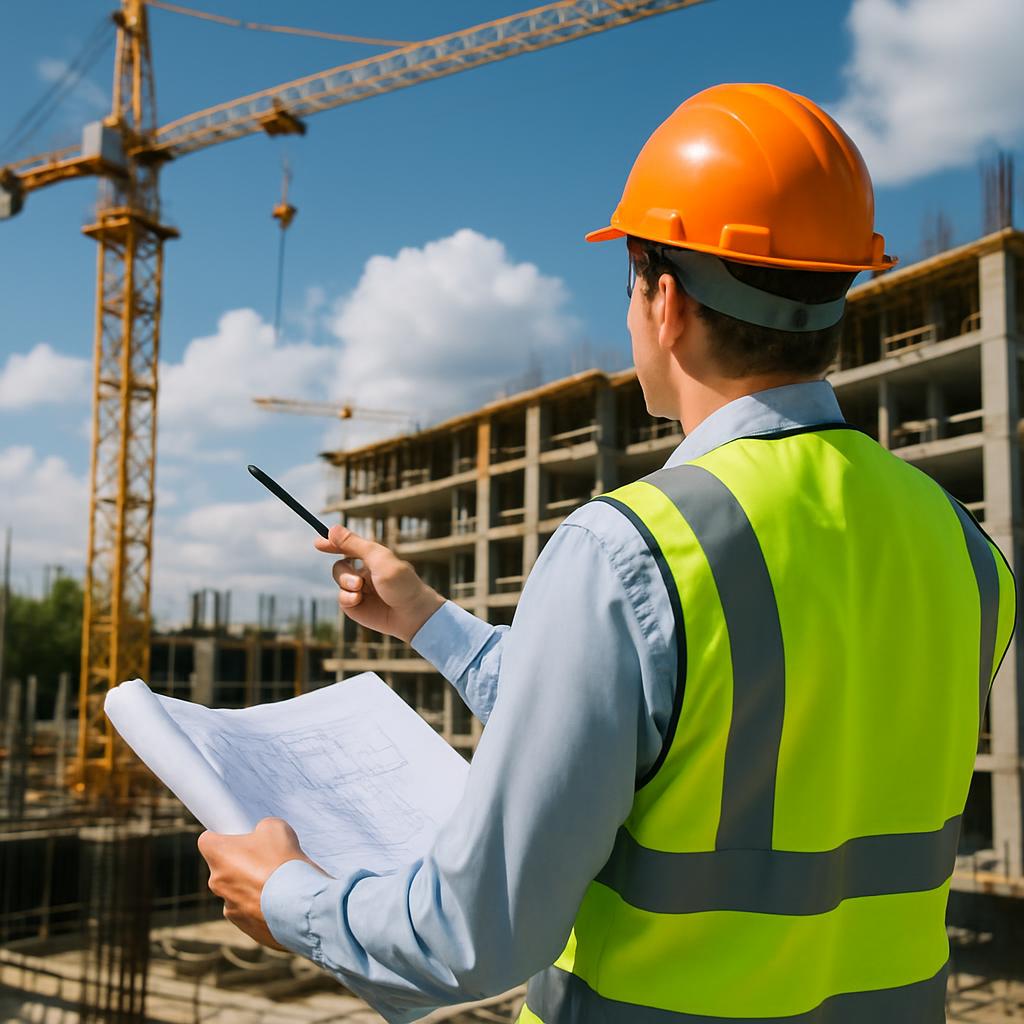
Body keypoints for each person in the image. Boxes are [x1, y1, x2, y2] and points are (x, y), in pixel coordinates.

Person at [198, 83, 1016, 1023]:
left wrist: (290, 895)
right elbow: (679, 733)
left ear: (663, 300)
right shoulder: (964, 548)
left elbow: (474, 935)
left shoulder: (632, 547)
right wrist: (425, 617)